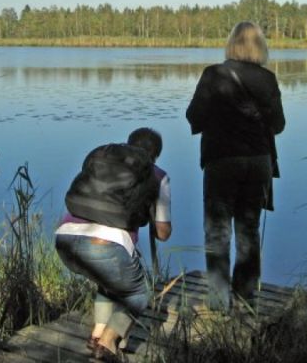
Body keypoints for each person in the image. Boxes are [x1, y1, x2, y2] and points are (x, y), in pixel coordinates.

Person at [186, 21, 285, 311]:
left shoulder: (213, 74)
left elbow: (194, 116)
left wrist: (220, 118)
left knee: (217, 230)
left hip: (222, 160)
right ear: (260, 46)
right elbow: (278, 124)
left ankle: (219, 300)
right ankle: (246, 293)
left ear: (231, 44)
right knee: (249, 228)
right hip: (259, 161)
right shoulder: (268, 78)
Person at [55, 128, 172, 362]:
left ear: (128, 145)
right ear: (155, 155)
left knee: (110, 281)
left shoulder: (106, 162)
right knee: (138, 294)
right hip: (104, 245)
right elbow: (162, 233)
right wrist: (150, 211)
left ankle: (97, 334)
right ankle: (108, 342)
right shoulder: (157, 175)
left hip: (64, 238)